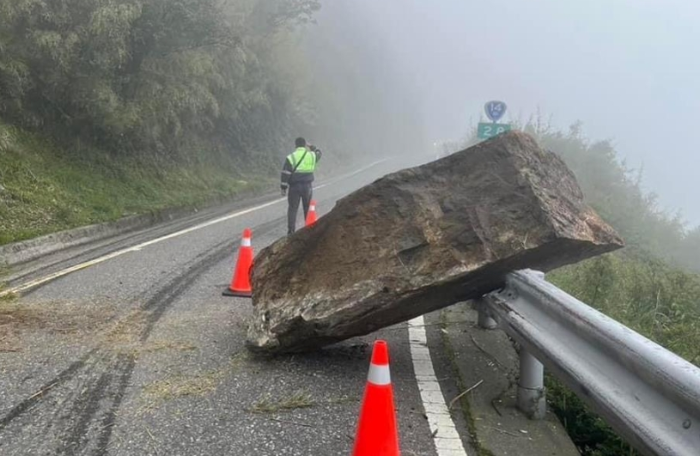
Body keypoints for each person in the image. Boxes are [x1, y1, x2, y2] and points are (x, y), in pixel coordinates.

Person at [280, 137, 322, 234]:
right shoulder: (312, 155)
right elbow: (319, 153)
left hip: (294, 187)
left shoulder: (291, 157)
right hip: (307, 186)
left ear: (295, 145)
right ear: (305, 145)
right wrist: (311, 146)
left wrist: (283, 187)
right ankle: (308, 230)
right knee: (307, 207)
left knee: (293, 208)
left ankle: (291, 231)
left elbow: (285, 173)